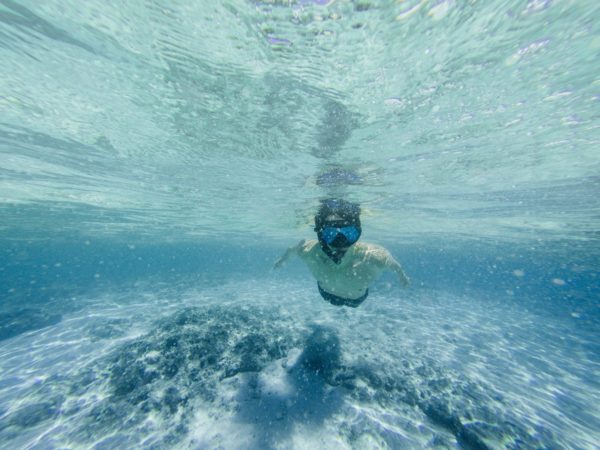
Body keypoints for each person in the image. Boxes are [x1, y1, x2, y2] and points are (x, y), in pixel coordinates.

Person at [274, 199, 410, 307]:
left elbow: (395, 265)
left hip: (355, 299)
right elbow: (294, 249)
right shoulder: (311, 251)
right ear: (321, 235)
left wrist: (402, 276)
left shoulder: (375, 255)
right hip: (327, 293)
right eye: (330, 234)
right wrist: (282, 261)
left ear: (358, 233)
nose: (341, 242)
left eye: (349, 233)